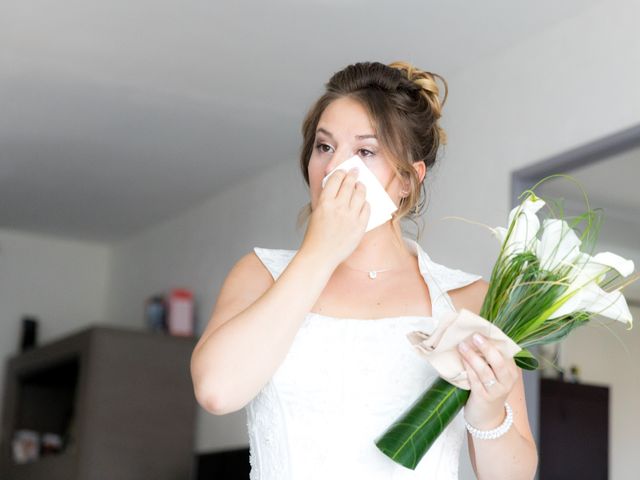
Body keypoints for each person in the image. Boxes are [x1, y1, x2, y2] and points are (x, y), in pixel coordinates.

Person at [190, 61, 538, 479]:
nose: (336, 168)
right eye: (325, 147)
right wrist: (319, 254)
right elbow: (216, 391)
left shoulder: (470, 300)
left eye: (365, 151)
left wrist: (487, 409)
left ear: (408, 179)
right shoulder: (260, 274)